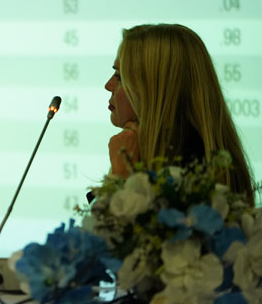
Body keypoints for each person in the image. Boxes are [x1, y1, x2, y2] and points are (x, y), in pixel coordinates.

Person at [104, 23, 254, 203]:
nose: (108, 86)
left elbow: (118, 222)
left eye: (120, 77)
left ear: (154, 89)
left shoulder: (191, 178)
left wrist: (122, 174)